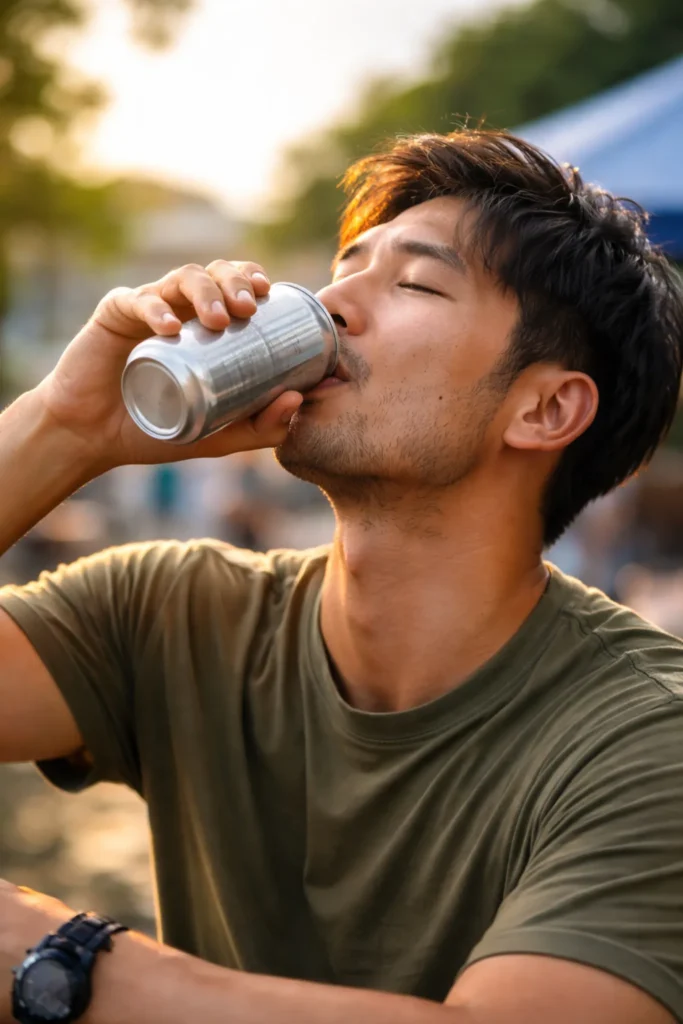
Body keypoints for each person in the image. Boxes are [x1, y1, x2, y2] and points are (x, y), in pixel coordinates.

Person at [0, 128, 682, 1024]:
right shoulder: (172, 609)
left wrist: (55, 964)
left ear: (547, 407)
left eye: (414, 283)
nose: (329, 305)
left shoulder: (645, 743)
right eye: (344, 267)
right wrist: (65, 425)